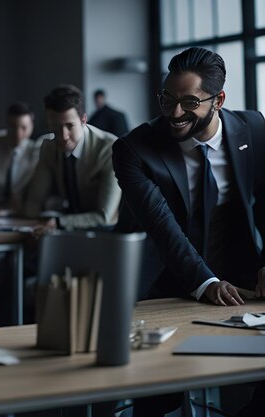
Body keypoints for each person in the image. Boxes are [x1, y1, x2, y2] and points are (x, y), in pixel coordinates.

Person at [112, 47, 265, 416]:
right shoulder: (134, 149)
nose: (174, 113)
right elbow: (162, 228)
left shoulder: (255, 128)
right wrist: (206, 283)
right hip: (163, 284)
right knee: (159, 396)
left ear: (219, 100)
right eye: (167, 98)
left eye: (188, 102)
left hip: (241, 281)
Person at [24, 84, 122, 230]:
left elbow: (105, 216)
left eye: (70, 126)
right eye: (55, 126)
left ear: (83, 120)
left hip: (108, 235)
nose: (63, 136)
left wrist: (59, 223)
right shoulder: (48, 147)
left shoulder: (110, 148)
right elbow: (34, 201)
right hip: (68, 232)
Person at [0, 101, 44, 215]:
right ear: (6, 124)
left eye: (24, 128)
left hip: (23, 215)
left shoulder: (37, 151)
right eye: (13, 127)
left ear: (32, 126)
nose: (18, 134)